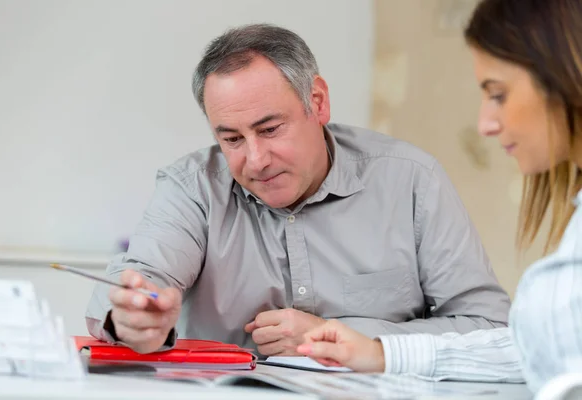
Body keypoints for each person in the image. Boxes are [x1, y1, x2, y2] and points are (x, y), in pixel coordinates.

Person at [85, 23, 510, 357]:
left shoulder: (411, 179)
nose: (255, 159)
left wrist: (349, 337)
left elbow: (489, 327)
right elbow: (139, 279)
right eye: (231, 139)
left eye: (270, 129)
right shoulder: (192, 187)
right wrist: (129, 314)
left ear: (318, 102)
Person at [296, 0, 582, 394]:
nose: (485, 124)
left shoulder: (414, 175)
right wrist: (383, 354)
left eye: (498, 94)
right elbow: (535, 349)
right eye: (231, 138)